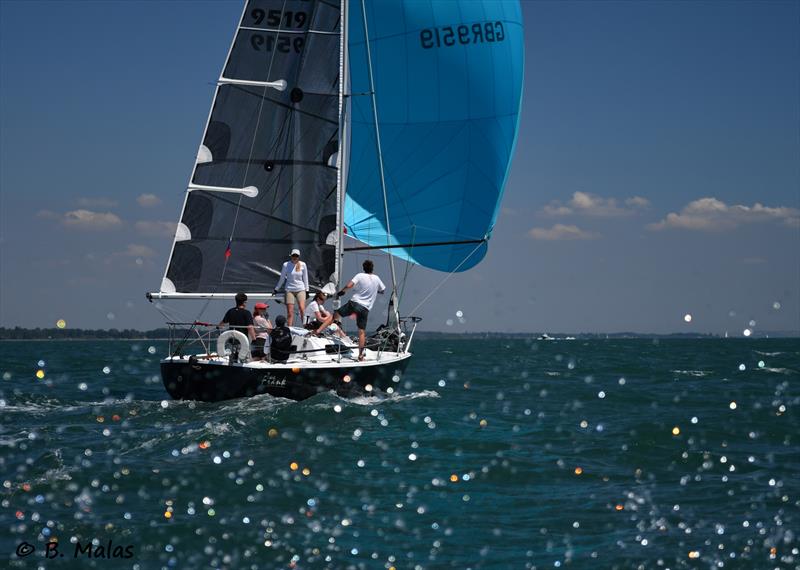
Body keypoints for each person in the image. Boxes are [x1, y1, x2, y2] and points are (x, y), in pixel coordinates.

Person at [334, 259, 386, 361]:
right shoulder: (377, 278)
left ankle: (322, 330)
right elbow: (383, 290)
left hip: (355, 303)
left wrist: (342, 292)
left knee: (335, 315)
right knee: (361, 332)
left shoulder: (359, 275)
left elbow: (349, 285)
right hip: (365, 309)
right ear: (372, 268)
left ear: (363, 268)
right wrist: (376, 291)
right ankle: (361, 356)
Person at [274, 248, 309, 327]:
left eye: (296, 256)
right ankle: (290, 329)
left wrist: (307, 290)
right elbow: (282, 278)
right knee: (290, 312)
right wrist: (276, 289)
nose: (295, 257)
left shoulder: (303, 264)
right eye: (293, 255)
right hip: (289, 289)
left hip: (301, 289)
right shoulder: (286, 264)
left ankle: (306, 328)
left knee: (302, 309)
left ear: (299, 257)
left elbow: (305, 278)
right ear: (291, 256)